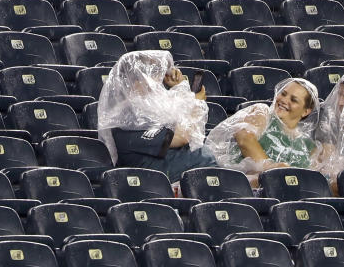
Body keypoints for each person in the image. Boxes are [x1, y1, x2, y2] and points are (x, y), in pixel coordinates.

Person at [97, 50, 217, 182]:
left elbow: (182, 122)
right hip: (172, 188)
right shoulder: (124, 123)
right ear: (134, 83)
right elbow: (183, 136)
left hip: (204, 175)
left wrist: (181, 89)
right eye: (152, 76)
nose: (159, 84)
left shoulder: (152, 111)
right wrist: (196, 104)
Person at [204, 78, 321, 177]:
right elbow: (244, 138)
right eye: (283, 94)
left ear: (306, 111)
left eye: (293, 100)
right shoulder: (262, 112)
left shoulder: (308, 145)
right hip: (239, 182)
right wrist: (272, 170)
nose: (284, 100)